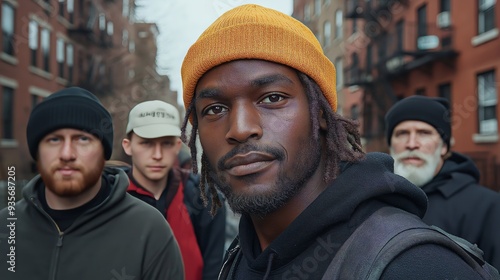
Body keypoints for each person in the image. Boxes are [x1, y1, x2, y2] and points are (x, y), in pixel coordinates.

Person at [178, 4, 487, 279]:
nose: (241, 129)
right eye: (215, 109)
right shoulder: (240, 255)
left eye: (272, 98)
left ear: (321, 114)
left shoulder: (416, 266)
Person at [0, 87, 184, 279]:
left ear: (103, 152)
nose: (67, 154)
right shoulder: (6, 227)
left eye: (83, 139)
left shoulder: (150, 231)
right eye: (54, 139)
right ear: (37, 150)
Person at [385, 95, 500, 270]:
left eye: (424, 133)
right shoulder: (377, 199)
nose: (411, 144)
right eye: (402, 133)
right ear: (390, 145)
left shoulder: (487, 206)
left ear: (444, 147)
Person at [122, 100, 226, 280]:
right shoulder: (107, 197)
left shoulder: (204, 198)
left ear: (178, 146)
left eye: (167, 144)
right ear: (127, 146)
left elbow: (214, 270)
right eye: (146, 143)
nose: (157, 155)